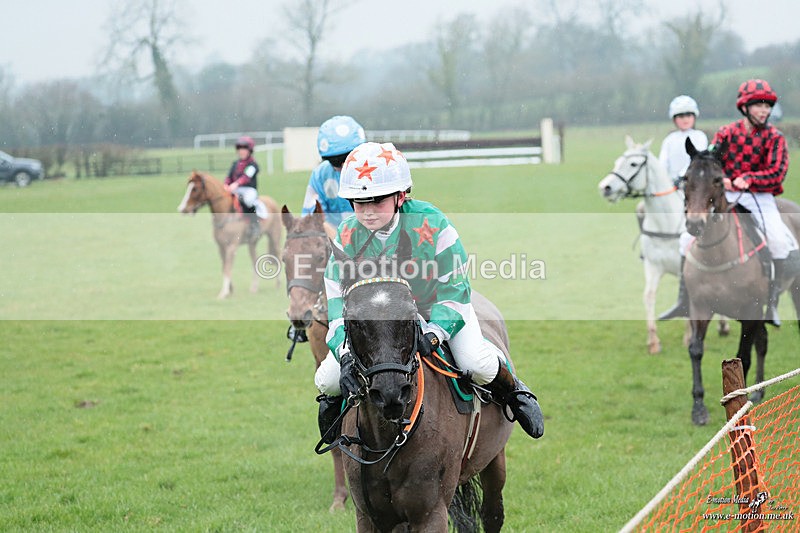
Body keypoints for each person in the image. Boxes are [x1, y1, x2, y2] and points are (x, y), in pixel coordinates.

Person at [314, 141, 544, 440]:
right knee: (327, 379)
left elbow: (455, 287)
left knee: (477, 364)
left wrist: (436, 332)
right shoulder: (346, 236)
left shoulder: (433, 224)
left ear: (400, 196)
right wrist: (344, 353)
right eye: (359, 203)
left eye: (378, 201)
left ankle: (515, 391)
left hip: (436, 309)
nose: (368, 212)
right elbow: (336, 304)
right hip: (378, 321)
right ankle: (337, 413)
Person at [660, 79, 800, 325]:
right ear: (745, 107)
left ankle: (772, 302)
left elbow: (777, 172)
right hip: (728, 194)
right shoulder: (727, 133)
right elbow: (710, 160)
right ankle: (684, 299)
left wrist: (750, 178)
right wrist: (722, 179)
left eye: (767, 106)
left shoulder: (775, 138)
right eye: (759, 105)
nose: (764, 111)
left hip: (761, 196)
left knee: (778, 241)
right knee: (685, 240)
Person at [301, 116, 365, 227]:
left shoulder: (377, 170)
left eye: (349, 158)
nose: (343, 165)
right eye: (335, 161)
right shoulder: (320, 175)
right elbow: (310, 220)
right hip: (333, 240)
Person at [659, 95, 708, 185]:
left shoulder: (700, 136)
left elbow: (696, 159)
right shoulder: (669, 140)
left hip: (693, 184)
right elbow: (663, 163)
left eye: (688, 115)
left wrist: (681, 177)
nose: (685, 119)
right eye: (681, 116)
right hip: (671, 185)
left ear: (694, 117)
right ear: (674, 119)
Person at [225, 136, 268, 225]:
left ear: (249, 151)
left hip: (249, 190)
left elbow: (246, 177)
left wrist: (236, 183)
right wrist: (226, 184)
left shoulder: (252, 164)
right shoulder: (235, 164)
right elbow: (229, 177)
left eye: (244, 149)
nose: (241, 151)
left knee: (248, 201)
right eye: (240, 149)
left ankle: (254, 223)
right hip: (235, 189)